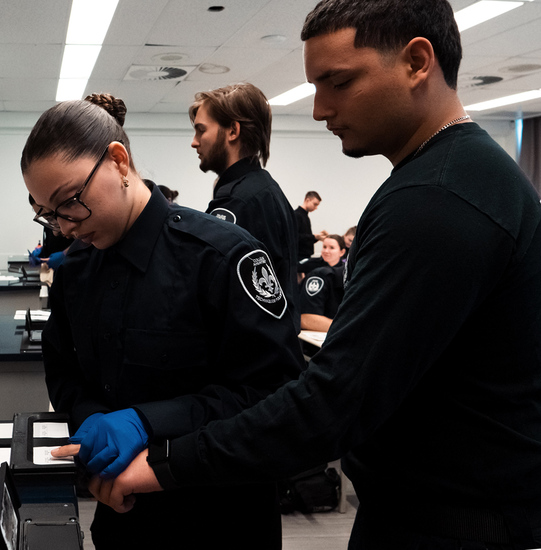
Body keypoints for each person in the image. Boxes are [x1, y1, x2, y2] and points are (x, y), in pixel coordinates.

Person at [84, 1, 541, 548]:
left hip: (453, 521)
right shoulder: (459, 176)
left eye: (338, 82)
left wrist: (166, 462)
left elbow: (335, 401)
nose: (320, 109)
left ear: (418, 62)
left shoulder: (436, 199)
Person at [22, 94, 305, 549]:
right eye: (48, 214)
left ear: (118, 161)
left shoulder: (221, 256)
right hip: (123, 520)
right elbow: (64, 369)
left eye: (70, 202)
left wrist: (147, 422)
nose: (66, 226)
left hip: (222, 519)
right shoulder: (76, 271)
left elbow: (274, 393)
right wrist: (89, 416)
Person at [190, 83, 301, 330]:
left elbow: (211, 289)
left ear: (232, 131)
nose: (194, 142)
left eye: (200, 130)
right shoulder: (266, 189)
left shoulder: (238, 202)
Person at [300, 234, 346, 333]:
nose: (326, 251)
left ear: (342, 252)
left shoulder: (345, 271)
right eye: (324, 247)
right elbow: (307, 318)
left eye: (331, 248)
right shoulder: (318, 273)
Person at [295, 191, 329, 260]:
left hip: (305, 255)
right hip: (299, 256)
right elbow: (295, 237)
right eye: (315, 204)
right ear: (307, 200)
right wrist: (314, 236)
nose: (316, 208)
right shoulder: (297, 215)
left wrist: (317, 238)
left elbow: (306, 239)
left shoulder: (305, 216)